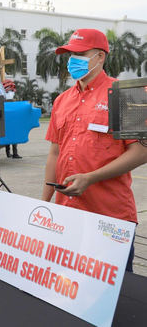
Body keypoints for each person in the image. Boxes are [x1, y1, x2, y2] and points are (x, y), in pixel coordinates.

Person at [41, 28, 147, 272]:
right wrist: (45, 203)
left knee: (115, 296)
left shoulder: (127, 94)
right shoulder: (62, 100)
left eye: (80, 54)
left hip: (110, 218)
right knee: (68, 287)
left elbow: (141, 152)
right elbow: (54, 154)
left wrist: (91, 178)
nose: (72, 61)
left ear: (100, 57)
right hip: (67, 215)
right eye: (69, 55)